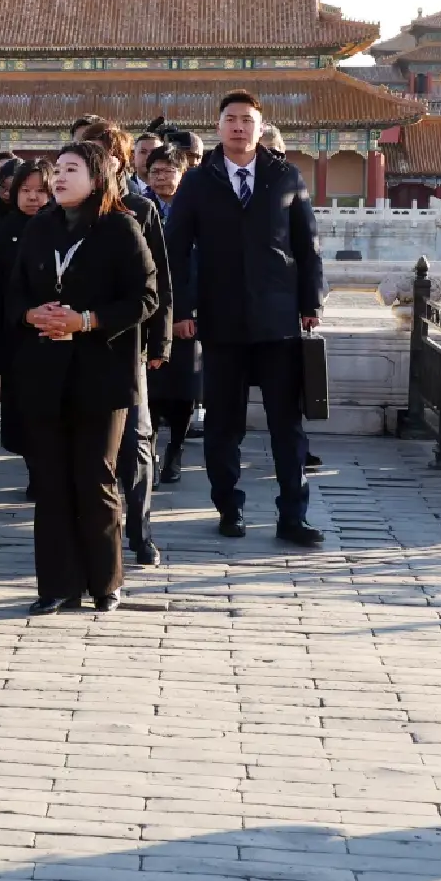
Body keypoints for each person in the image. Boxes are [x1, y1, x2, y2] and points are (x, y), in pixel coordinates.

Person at [166, 90, 326, 546]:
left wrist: (310, 305)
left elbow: (307, 246)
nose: (239, 127)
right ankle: (228, 507)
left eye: (247, 120)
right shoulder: (198, 182)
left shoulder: (286, 176)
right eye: (231, 120)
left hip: (278, 323)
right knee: (223, 425)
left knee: (286, 426)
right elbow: (175, 250)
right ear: (219, 127)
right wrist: (180, 311)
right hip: (220, 323)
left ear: (260, 126)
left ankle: (292, 516)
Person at [4, 140, 157, 615]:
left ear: (98, 178)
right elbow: (10, 295)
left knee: (96, 479)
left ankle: (105, 582)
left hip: (101, 373)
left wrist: (87, 320)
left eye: (73, 169)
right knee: (50, 482)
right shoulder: (39, 228)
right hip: (44, 372)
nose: (60, 178)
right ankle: (56, 585)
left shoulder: (121, 228)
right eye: (59, 170)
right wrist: (32, 315)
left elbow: (145, 298)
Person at [74, 120, 173, 568]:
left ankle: (140, 530)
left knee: (136, 439)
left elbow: (159, 287)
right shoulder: (63, 213)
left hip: (126, 343)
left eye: (100, 154)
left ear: (117, 161)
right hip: (73, 344)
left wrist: (160, 343)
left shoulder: (139, 210)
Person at [0, 158, 46, 444]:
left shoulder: (62, 227)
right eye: (25, 190)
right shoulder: (4, 230)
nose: (32, 197)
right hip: (11, 322)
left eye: (40, 190)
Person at [144, 145, 198, 484]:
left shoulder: (194, 209)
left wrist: (188, 312)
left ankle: (175, 449)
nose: (161, 176)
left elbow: (202, 266)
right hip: (147, 311)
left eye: (167, 170)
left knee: (182, 388)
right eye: (155, 171)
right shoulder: (137, 207)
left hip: (184, 313)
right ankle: (146, 450)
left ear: (182, 173)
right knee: (148, 387)